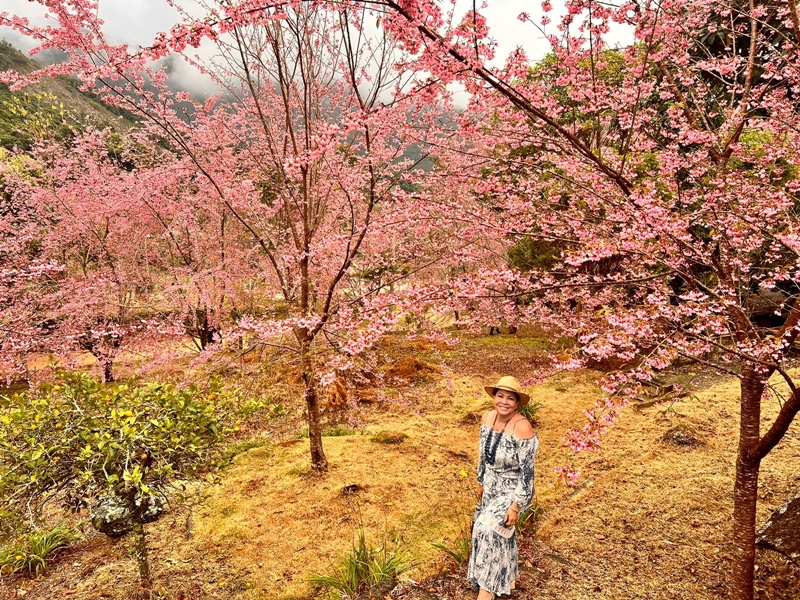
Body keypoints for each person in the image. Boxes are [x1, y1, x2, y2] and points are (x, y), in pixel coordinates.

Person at [467, 375, 539, 599]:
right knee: (491, 531)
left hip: (512, 491)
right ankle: (508, 578)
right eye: (500, 396)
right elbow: (482, 454)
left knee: (487, 529)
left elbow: (527, 472)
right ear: (493, 397)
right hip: (490, 485)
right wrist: (480, 482)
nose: (504, 402)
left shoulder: (522, 427)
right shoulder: (487, 417)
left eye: (510, 398)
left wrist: (516, 505)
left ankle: (485, 593)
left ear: (517, 403)